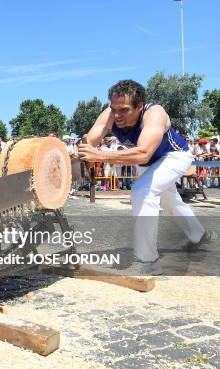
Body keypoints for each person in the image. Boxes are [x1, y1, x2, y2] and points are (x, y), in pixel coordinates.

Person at [78, 79, 215, 274]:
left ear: (139, 105)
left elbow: (143, 153)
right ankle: (198, 235)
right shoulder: (110, 113)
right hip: (147, 163)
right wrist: (85, 153)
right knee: (170, 201)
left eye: (124, 110)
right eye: (114, 108)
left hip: (173, 156)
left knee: (142, 190)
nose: (117, 115)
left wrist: (99, 155)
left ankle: (147, 260)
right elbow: (91, 139)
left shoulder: (154, 113)